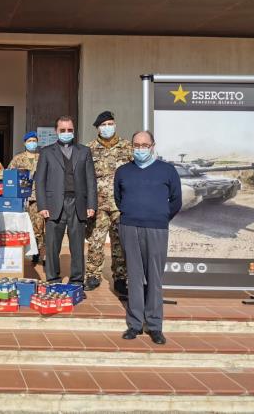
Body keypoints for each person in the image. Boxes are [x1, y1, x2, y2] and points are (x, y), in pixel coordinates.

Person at [114, 130, 181, 345]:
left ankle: (154, 325)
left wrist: (159, 216)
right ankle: (134, 324)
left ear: (153, 146)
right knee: (134, 276)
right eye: (136, 145)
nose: (140, 148)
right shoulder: (123, 171)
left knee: (154, 277)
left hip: (157, 229)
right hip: (130, 227)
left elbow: (176, 201)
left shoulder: (167, 170)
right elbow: (118, 198)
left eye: (145, 144)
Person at [35, 116, 97, 284]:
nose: (66, 133)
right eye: (63, 130)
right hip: (54, 204)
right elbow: (39, 180)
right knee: (52, 245)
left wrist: (91, 204)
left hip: (77, 203)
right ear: (56, 131)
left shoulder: (84, 151)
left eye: (70, 130)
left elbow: (91, 180)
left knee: (77, 245)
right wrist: (42, 205)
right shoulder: (47, 152)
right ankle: (53, 278)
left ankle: (77, 280)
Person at [84, 111, 133, 294]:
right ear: (98, 128)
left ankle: (120, 278)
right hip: (97, 205)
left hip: (121, 204)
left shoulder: (127, 147)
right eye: (103, 125)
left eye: (110, 124)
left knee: (120, 242)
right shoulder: (89, 149)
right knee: (96, 241)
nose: (107, 128)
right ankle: (93, 275)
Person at [7, 131, 44, 264]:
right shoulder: (18, 159)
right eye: (29, 141)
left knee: (38, 227)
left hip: (38, 197)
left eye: (34, 140)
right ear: (25, 143)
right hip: (21, 198)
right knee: (21, 226)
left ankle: (38, 252)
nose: (32, 143)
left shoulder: (42, 157)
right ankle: (21, 253)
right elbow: (9, 175)